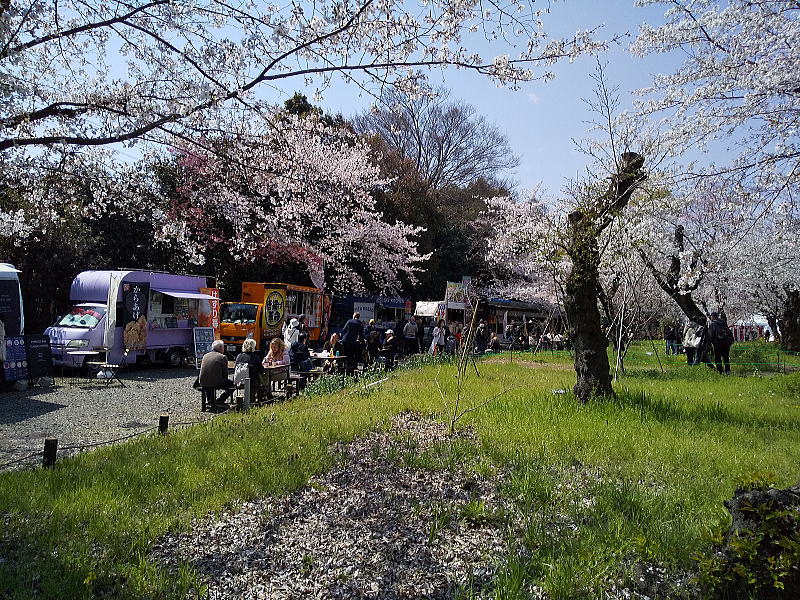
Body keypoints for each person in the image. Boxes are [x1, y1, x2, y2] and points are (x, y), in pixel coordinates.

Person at [199, 340, 235, 408]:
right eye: (223, 347)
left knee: (209, 378)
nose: (224, 349)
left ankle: (209, 400)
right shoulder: (222, 357)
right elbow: (225, 374)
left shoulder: (205, 355)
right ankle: (220, 400)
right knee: (233, 385)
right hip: (216, 382)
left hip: (202, 381)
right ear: (220, 347)